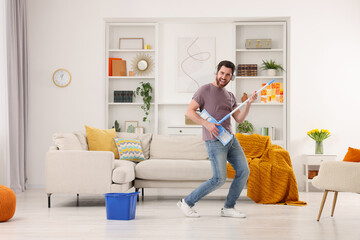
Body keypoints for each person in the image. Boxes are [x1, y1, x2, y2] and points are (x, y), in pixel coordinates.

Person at [177, 60, 258, 218]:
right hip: (214, 140)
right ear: (217, 72)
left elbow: (239, 119)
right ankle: (186, 202)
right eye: (222, 73)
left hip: (230, 139)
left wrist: (248, 104)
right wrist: (206, 124)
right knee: (219, 178)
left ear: (231, 77)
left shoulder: (230, 96)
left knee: (243, 171)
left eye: (228, 75)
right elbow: (190, 112)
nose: (224, 77)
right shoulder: (204, 90)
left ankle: (229, 207)